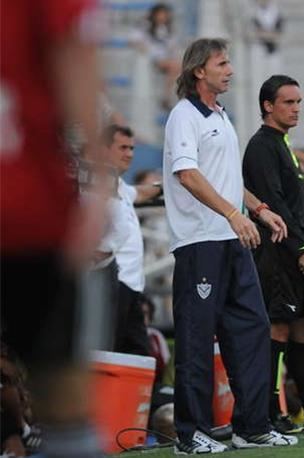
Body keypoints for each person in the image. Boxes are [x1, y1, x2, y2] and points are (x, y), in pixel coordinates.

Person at [162, 38, 297, 453]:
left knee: (253, 332)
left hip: (233, 238)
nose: (231, 70)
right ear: (200, 70)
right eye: (222, 63)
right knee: (197, 339)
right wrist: (233, 214)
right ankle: (191, 434)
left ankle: (252, 426)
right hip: (200, 243)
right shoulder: (184, 117)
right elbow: (188, 174)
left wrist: (256, 209)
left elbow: (226, 180)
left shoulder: (221, 115)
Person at [0, 1, 108, 457]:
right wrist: (100, 182)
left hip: (30, 208)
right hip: (28, 206)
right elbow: (74, 54)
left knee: (58, 394)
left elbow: (71, 50)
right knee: (61, 399)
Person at [242, 75, 304, 434]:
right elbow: (275, 205)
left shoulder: (282, 143)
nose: (296, 108)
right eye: (288, 102)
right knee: (278, 329)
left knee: (303, 331)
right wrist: (301, 248)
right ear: (268, 106)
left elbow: (297, 208)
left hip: (298, 251)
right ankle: (268, 414)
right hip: (277, 254)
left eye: (298, 102)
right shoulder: (261, 146)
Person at [102, 124, 163, 355]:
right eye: (122, 148)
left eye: (132, 148)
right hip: (110, 284)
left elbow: (142, 192)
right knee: (107, 353)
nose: (129, 154)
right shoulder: (92, 186)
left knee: (139, 356)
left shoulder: (120, 187)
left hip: (132, 288)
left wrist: (170, 183)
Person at [130, 2, 181, 109]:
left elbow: (173, 47)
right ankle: (166, 98)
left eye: (165, 14)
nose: (163, 17)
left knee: (178, 66)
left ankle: (168, 98)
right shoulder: (145, 25)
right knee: (175, 66)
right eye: (160, 14)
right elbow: (133, 40)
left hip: (166, 60)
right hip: (152, 59)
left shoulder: (168, 29)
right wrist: (145, 49)